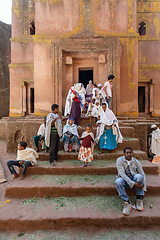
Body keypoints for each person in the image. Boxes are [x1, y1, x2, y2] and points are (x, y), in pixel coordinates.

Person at [115, 147, 146, 216]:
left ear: (132, 153)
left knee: (139, 177)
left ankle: (139, 198)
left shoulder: (136, 161)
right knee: (118, 181)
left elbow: (142, 173)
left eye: (130, 153)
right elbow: (122, 174)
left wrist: (143, 189)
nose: (129, 154)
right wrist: (133, 183)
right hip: (124, 179)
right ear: (124, 154)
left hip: (133, 178)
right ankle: (127, 202)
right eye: (127, 153)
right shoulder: (119, 160)